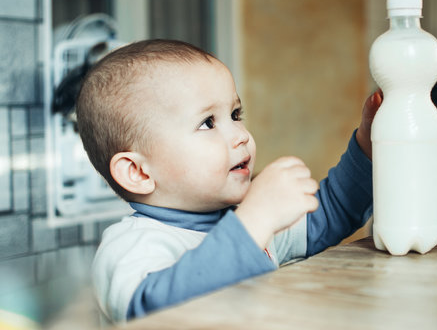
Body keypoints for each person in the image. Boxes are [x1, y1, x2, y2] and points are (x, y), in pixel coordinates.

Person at [76, 39, 382, 324]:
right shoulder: (133, 246)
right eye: (208, 122)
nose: (242, 136)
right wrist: (254, 222)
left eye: (236, 114)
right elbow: (153, 314)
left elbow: (333, 213)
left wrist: (368, 146)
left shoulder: (242, 220)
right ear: (139, 172)